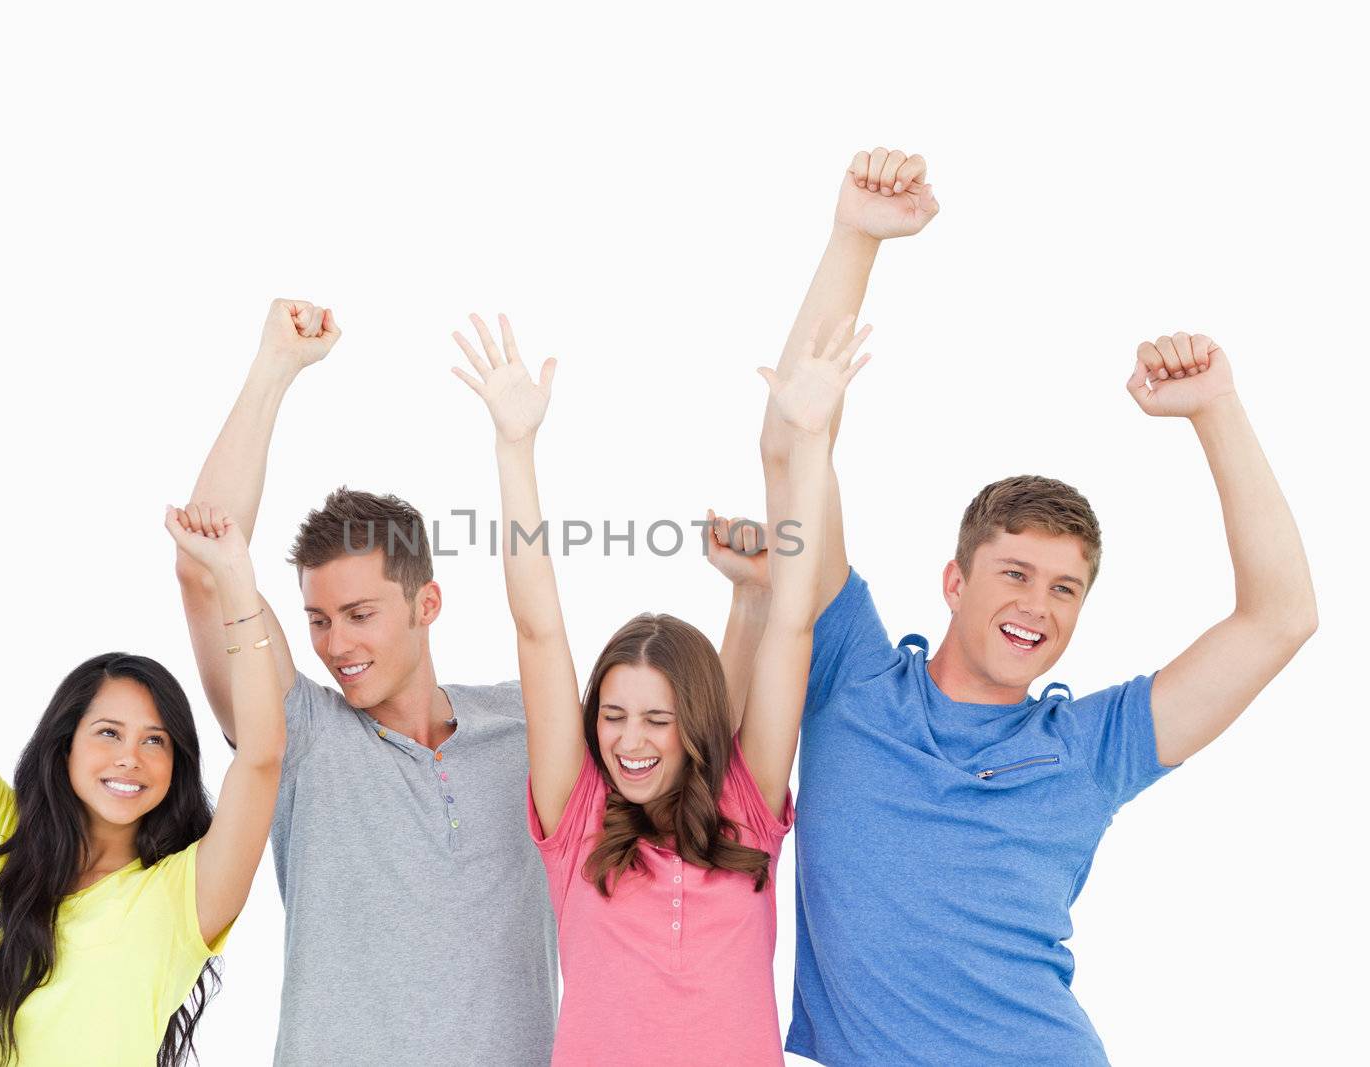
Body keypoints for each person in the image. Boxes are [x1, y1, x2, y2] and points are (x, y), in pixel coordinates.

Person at [730, 156, 1318, 1062]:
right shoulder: (850, 672)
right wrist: (855, 236)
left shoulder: (1093, 743)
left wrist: (1217, 410)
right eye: (1014, 573)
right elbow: (789, 445)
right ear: (955, 581)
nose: (1037, 605)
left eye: (1064, 587)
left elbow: (1280, 617)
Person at [449, 310, 871, 1065]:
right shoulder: (575, 818)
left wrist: (810, 443)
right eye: (612, 715)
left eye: (656, 719)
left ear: (696, 725)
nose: (629, 740)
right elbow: (538, 628)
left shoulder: (747, 808)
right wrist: (515, 448)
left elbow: (793, 628)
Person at [171, 302, 558, 1067]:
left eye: (357, 614)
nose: (334, 645)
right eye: (317, 619)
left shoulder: (524, 725)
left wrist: (516, 449)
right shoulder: (301, 738)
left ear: (427, 603)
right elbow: (201, 566)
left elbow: (555, 635)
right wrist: (273, 367)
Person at [0, 491, 284, 1065]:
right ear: (65, 748)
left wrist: (233, 577)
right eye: (108, 733)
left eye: (155, 740)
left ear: (176, 763)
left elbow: (260, 756)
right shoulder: (8, 843)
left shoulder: (187, 894)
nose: (130, 757)